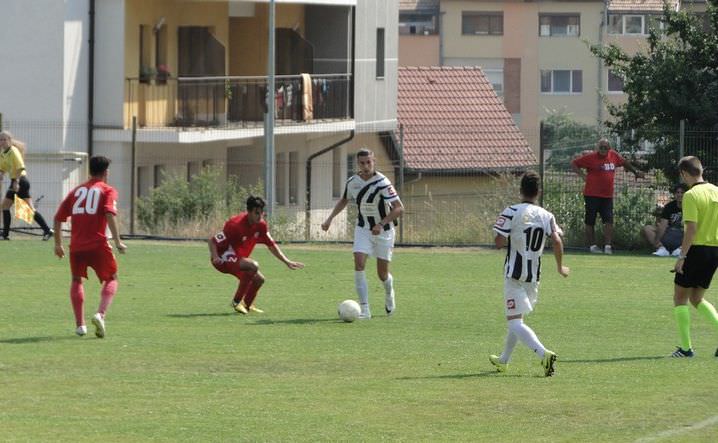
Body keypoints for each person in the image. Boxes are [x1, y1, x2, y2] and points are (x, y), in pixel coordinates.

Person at [490, 171, 570, 377]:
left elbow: (498, 243)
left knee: (514, 322)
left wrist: (506, 238)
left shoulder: (511, 211)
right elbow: (557, 241)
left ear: (520, 190)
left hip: (514, 275)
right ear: (538, 192)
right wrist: (560, 267)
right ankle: (503, 360)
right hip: (534, 277)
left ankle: (544, 354)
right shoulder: (546, 215)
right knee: (517, 319)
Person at [321, 148, 404, 319]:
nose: (366, 166)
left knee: (382, 274)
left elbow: (399, 208)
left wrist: (381, 223)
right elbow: (344, 200)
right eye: (362, 163)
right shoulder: (353, 182)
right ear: (357, 164)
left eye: (369, 162)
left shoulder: (383, 183)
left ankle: (389, 293)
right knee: (359, 263)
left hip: (384, 232)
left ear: (374, 162)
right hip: (363, 228)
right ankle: (365, 310)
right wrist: (329, 219)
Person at [53, 156, 127, 338]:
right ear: (106, 172)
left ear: (90, 171)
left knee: (76, 280)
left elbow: (58, 218)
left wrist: (58, 244)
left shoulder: (76, 191)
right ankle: (100, 315)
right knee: (112, 278)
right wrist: (117, 241)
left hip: (76, 246)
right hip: (98, 244)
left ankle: (80, 326)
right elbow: (109, 214)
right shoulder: (108, 190)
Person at [209, 196, 304, 314]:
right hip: (223, 258)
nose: (260, 216)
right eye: (257, 213)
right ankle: (236, 302)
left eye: (262, 213)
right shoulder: (235, 224)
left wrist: (287, 261)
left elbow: (271, 245)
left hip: (238, 259)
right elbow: (213, 240)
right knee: (253, 265)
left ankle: (247, 305)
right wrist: (216, 257)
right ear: (248, 212)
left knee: (259, 280)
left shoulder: (261, 225)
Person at [670, 156, 718, 358]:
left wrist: (682, 256)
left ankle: (685, 348)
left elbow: (691, 229)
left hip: (696, 250)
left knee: (680, 298)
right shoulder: (716, 191)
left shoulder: (691, 195)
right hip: (715, 250)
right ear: (701, 170)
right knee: (697, 298)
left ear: (684, 173)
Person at [571, 138, 643, 254]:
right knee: (590, 221)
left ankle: (607, 246)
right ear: (597, 148)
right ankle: (592, 246)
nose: (603, 149)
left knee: (608, 221)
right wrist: (583, 176)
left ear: (609, 148)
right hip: (591, 195)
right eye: (601, 147)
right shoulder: (590, 158)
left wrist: (635, 172)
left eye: (606, 147)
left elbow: (624, 162)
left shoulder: (613, 155)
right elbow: (574, 163)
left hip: (607, 195)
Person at [0, 130, 54, 240]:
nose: (2, 142)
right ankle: (5, 234)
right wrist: (1, 174)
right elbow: (3, 168)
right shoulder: (3, 153)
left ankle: (47, 230)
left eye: (5, 139)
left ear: (10, 141)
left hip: (20, 181)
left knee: (24, 209)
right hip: (15, 181)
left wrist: (16, 182)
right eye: (1, 140)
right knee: (6, 206)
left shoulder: (14, 151)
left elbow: (20, 167)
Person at [642, 183, 686, 257]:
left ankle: (681, 250)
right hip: (669, 233)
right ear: (674, 194)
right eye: (677, 192)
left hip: (683, 235)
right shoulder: (669, 206)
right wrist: (657, 241)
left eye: (682, 192)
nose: (679, 195)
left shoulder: (690, 206)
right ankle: (661, 249)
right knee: (647, 228)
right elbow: (663, 225)